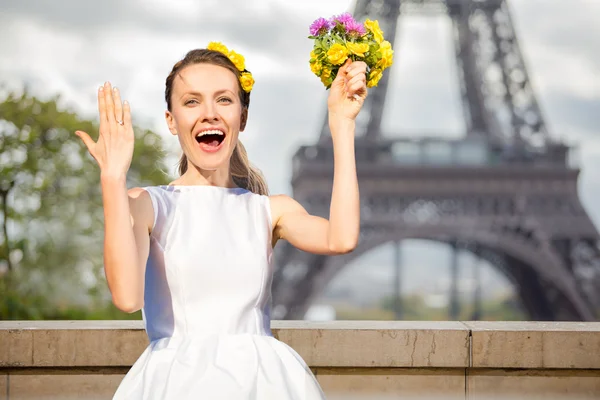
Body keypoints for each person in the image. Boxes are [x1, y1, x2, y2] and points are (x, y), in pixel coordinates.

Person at [75, 44, 367, 399]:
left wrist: (342, 123)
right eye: (192, 101)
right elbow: (126, 296)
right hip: (175, 385)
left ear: (242, 118)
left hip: (262, 385)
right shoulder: (147, 204)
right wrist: (112, 177)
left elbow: (342, 238)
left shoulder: (270, 210)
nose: (210, 113)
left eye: (224, 100)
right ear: (171, 120)